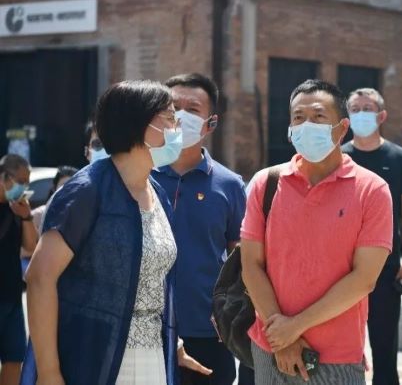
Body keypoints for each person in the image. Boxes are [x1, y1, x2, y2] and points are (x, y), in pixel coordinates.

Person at [20, 80, 209, 385]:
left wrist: (173, 344)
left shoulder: (157, 193)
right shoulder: (86, 192)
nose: (177, 128)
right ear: (138, 123)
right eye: (169, 118)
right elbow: (40, 278)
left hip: (152, 357)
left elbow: (151, 280)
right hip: (94, 356)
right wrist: (49, 372)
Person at [241, 79, 393, 384]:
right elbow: (251, 266)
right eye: (298, 117)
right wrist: (282, 337)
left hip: (337, 356)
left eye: (318, 116)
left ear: (342, 127)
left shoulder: (372, 190)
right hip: (271, 347)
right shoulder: (265, 183)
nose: (307, 125)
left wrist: (294, 327)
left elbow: (364, 279)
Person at [152, 73, 249, 385]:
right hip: (144, 329)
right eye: (173, 108)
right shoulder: (140, 176)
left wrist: (231, 313)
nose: (181, 117)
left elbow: (242, 259)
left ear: (211, 122)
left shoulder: (230, 185)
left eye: (192, 109)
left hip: (209, 331)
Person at [341, 88, 402, 385]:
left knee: (385, 353)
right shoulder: (338, 157)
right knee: (343, 353)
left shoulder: (400, 158)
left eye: (367, 108)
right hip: (341, 271)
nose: (361, 114)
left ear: (382, 116)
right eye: (355, 109)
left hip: (385, 271)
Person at [0, 154, 38, 385]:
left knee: (14, 359)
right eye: (21, 181)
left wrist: (26, 217)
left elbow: (31, 246)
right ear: (4, 177)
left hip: (12, 298)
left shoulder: (18, 208)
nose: (24, 187)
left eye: (27, 182)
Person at [20, 166, 78, 273]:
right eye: (63, 185)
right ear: (54, 188)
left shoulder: (84, 215)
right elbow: (23, 250)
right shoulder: (39, 215)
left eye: (72, 185)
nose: (68, 190)